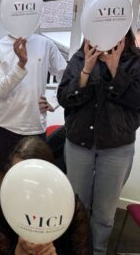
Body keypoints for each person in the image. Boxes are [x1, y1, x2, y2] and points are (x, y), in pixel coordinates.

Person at [57, 31, 140, 254]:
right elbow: (64, 97)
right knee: (77, 206)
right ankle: (76, 249)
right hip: (78, 144)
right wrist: (86, 69)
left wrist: (115, 69)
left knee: (104, 213)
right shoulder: (80, 57)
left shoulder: (134, 60)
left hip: (117, 147)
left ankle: (98, 251)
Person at [0, 34, 66, 192]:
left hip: (35, 126)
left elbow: (66, 73)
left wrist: (54, 100)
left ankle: (27, 214)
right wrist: (21, 65)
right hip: (5, 124)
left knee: (35, 177)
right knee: (2, 172)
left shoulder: (45, 44)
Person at [0, 136, 92, 255]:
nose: (25, 186)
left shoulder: (70, 206)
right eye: (18, 176)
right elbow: (3, 251)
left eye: (32, 178)